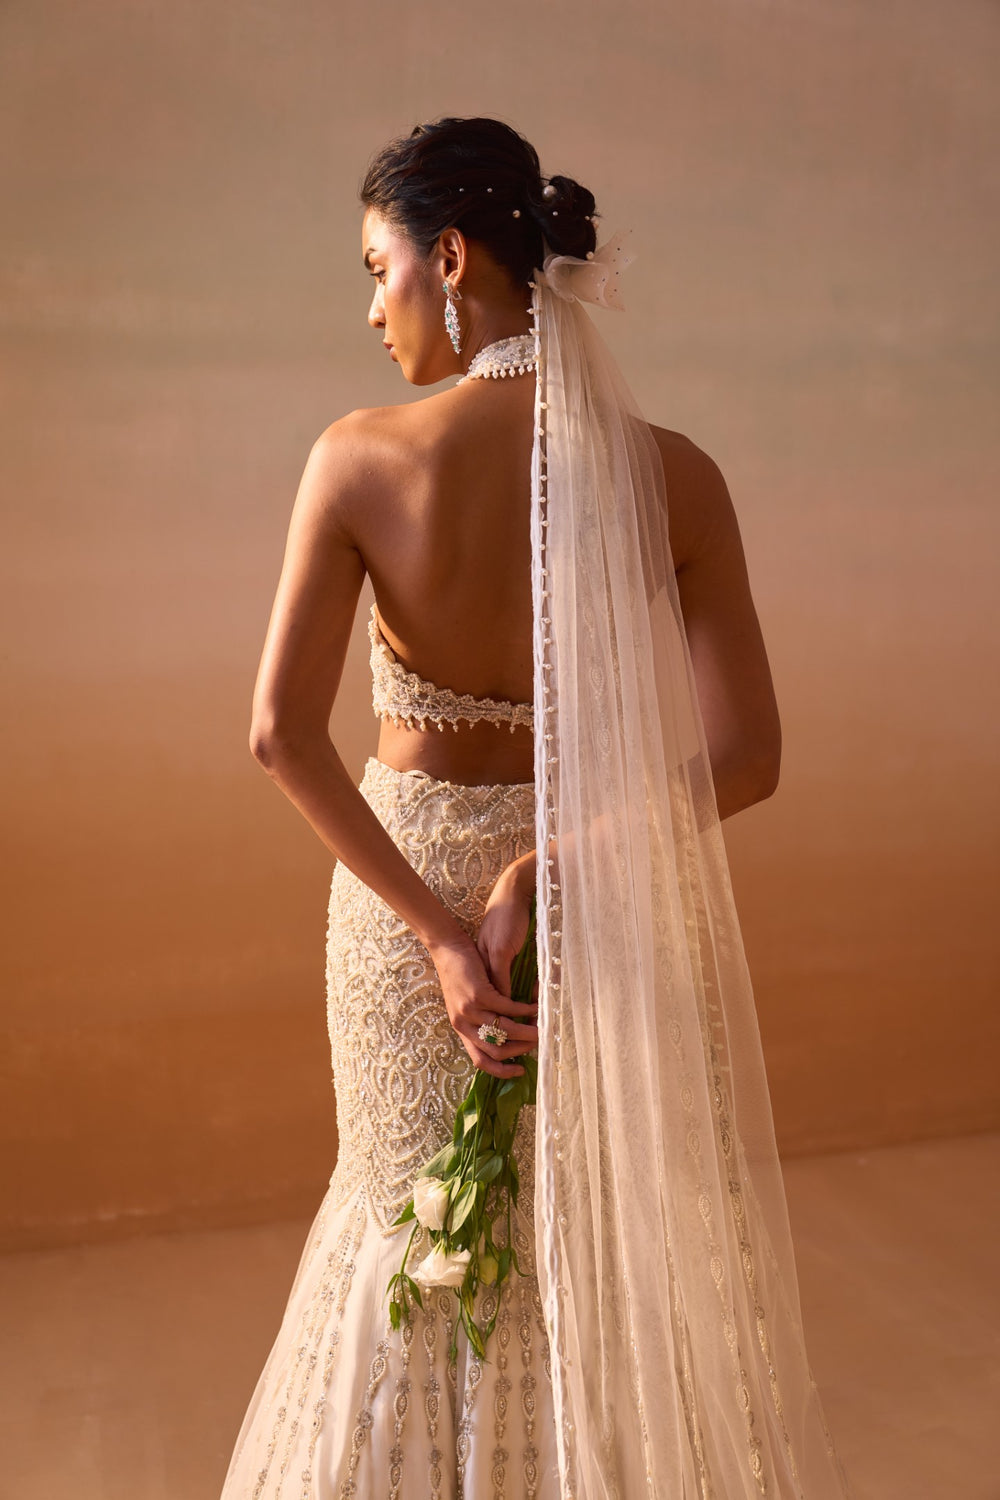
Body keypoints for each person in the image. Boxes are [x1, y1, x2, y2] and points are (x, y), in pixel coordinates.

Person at [221, 116, 850, 1499]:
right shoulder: (674, 474)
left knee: (407, 1234)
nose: (372, 308)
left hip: (403, 921)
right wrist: (547, 870)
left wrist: (444, 936)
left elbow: (281, 737)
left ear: (449, 259)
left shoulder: (358, 459)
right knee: (587, 1247)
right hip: (595, 909)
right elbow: (747, 755)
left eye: (378, 269)